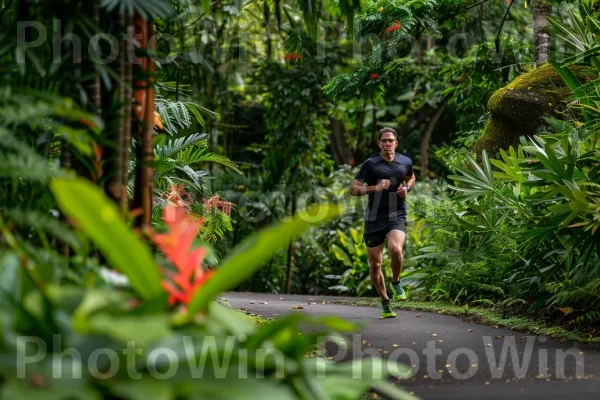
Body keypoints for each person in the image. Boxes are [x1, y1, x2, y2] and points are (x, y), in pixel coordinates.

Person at [349, 127, 416, 319]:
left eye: (390, 140)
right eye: (384, 141)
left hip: (397, 213)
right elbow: (353, 190)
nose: (387, 143)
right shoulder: (370, 164)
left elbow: (411, 176)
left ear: (396, 143)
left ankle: (396, 282)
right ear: (379, 144)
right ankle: (385, 302)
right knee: (375, 265)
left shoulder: (405, 161)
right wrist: (376, 187)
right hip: (374, 218)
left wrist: (407, 188)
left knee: (396, 249)